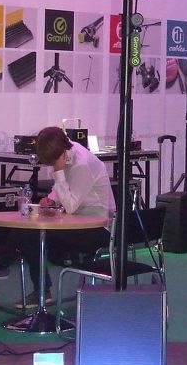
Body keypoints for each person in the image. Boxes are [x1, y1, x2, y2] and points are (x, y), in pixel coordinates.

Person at [16, 126, 115, 306]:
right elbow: (66, 191)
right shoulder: (69, 149)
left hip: (98, 228)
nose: (53, 166)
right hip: (78, 220)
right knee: (28, 232)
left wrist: (58, 172)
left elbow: (70, 206)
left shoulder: (81, 164)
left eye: (53, 163)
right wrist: (51, 199)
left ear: (60, 154)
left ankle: (42, 290)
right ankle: (42, 288)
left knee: (33, 234)